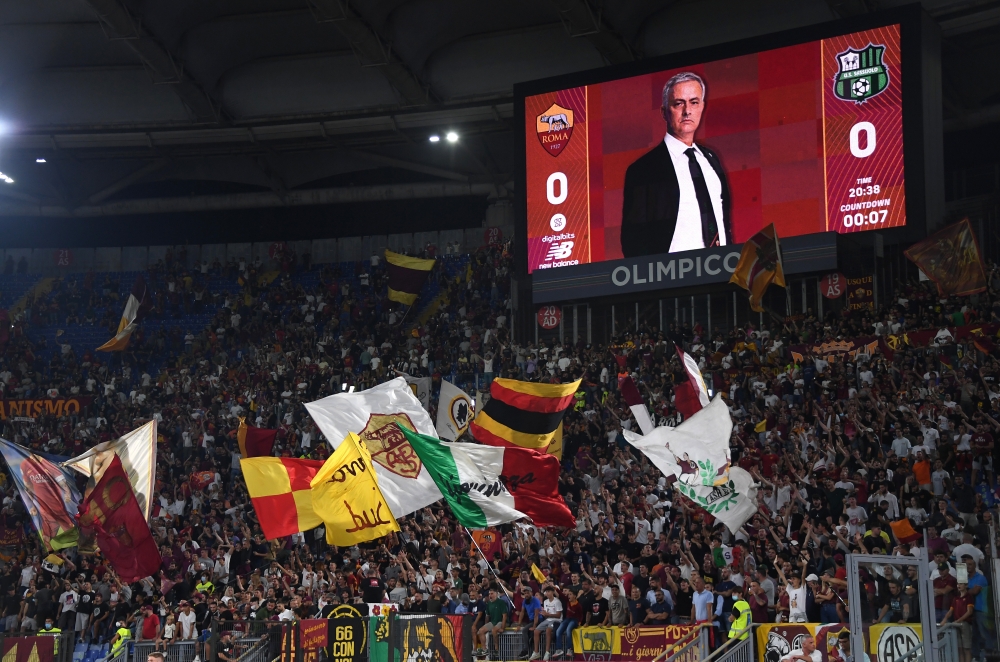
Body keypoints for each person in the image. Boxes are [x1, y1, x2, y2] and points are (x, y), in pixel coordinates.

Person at [620, 71, 731, 258]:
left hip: (720, 273)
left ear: (702, 106)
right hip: (673, 277)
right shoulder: (643, 169)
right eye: (679, 103)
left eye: (694, 102)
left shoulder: (711, 159)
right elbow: (633, 240)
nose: (687, 111)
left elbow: (723, 220)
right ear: (664, 112)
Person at [530, 586, 562, 660]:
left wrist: (548, 614)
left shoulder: (557, 601)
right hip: (548, 619)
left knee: (548, 630)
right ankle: (536, 652)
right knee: (536, 631)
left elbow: (559, 615)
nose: (547, 593)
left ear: (553, 592)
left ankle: (547, 652)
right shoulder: (545, 601)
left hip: (556, 620)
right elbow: (547, 614)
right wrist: (544, 614)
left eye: (549, 591)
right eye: (546, 592)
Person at [474, 588, 507, 658]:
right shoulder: (488, 603)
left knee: (494, 630)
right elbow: (487, 616)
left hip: (501, 621)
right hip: (493, 622)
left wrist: (503, 628)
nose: (490, 595)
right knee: (481, 631)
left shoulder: (501, 602)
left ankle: (496, 649)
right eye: (489, 594)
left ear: (496, 594)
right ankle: (484, 649)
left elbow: (504, 616)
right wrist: (486, 626)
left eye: (492, 593)